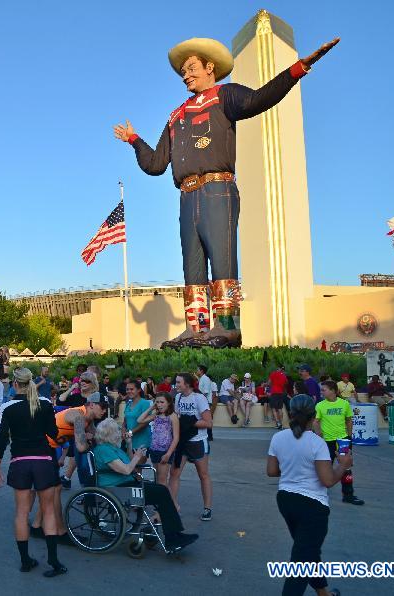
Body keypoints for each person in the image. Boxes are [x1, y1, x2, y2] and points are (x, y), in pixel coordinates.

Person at [115, 35, 339, 348]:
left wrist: (298, 69)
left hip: (217, 189)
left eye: (191, 67)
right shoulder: (175, 116)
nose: (185, 75)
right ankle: (196, 327)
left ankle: (228, 325)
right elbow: (155, 165)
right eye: (183, 71)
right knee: (192, 265)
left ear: (210, 67)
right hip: (186, 195)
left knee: (222, 257)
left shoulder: (224, 95)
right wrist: (134, 140)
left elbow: (259, 100)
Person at [267, 394, 350, 596]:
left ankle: (323, 593)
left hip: (286, 500)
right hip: (312, 506)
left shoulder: (278, 438)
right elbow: (328, 480)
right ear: (313, 417)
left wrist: (292, 468)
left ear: (290, 413)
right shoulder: (317, 443)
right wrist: (343, 466)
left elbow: (271, 471)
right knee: (302, 560)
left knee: (307, 551)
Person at [0, 367, 66, 577]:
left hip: (20, 462)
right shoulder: (45, 404)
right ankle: (53, 561)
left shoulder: (7, 407)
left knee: (22, 513)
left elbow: (1, 439)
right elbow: (53, 432)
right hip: (43, 461)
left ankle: (25, 561)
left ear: (15, 384)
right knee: (49, 511)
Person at [92, 418, 198, 551]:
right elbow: (126, 470)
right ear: (110, 433)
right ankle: (172, 538)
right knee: (162, 493)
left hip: (126, 483)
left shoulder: (113, 448)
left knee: (162, 491)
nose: (121, 432)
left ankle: (175, 535)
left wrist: (129, 444)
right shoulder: (103, 450)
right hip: (117, 488)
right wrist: (137, 456)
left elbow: (130, 463)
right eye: (118, 430)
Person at [169, 372, 213, 520]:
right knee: (174, 473)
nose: (176, 385)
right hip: (182, 441)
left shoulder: (199, 398)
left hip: (197, 441)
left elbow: (208, 423)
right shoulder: (178, 397)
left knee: (203, 474)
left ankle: (207, 508)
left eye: (178, 382)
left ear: (187, 384)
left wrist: (190, 421)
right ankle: (172, 506)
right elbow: (177, 417)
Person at [314, 380, 364, 506]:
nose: (321, 392)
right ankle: (316, 495)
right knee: (325, 468)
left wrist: (349, 437)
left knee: (346, 468)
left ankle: (348, 495)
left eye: (324, 390)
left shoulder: (344, 404)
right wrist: (319, 436)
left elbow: (349, 421)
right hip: (327, 442)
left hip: (343, 441)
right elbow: (316, 422)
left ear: (333, 391)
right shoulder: (320, 405)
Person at [137, 392, 180, 490]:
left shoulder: (172, 416)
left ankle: (164, 499)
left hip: (165, 451)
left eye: (162, 402)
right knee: (157, 479)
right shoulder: (156, 415)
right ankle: (159, 498)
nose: (159, 405)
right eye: (157, 402)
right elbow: (140, 420)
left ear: (169, 403)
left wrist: (168, 454)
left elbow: (176, 437)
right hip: (154, 450)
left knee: (162, 480)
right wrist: (151, 408)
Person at [121, 380, 152, 455]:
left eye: (132, 389)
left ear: (138, 390)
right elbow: (125, 420)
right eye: (127, 389)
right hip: (129, 441)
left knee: (137, 462)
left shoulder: (145, 403)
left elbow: (145, 423)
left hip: (141, 441)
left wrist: (131, 432)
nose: (129, 391)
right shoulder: (128, 403)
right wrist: (123, 430)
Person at [197, 365, 215, 440]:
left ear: (201, 371)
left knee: (207, 418)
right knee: (204, 418)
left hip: (206, 401)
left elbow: (206, 392)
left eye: (197, 370)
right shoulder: (202, 378)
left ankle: (209, 436)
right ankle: (208, 436)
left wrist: (199, 400)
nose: (196, 371)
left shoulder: (205, 379)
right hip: (204, 401)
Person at [268, 365, 289, 430]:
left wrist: (273, 385)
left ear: (278, 369)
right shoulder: (284, 375)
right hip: (281, 393)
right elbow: (286, 383)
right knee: (280, 409)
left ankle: (278, 423)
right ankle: (281, 424)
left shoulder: (273, 374)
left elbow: (269, 383)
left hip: (274, 393)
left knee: (273, 408)